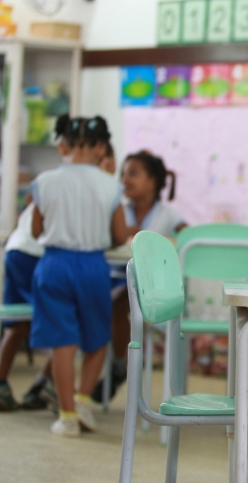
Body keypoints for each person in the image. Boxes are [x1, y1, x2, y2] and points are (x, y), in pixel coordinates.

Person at [30, 116, 127, 437]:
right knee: (97, 337)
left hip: (54, 265)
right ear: (101, 147)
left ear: (63, 145)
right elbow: (118, 234)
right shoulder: (110, 184)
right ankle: (84, 400)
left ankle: (66, 415)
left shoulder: (45, 181)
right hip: (92, 266)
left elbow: (35, 230)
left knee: (62, 342)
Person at [91, 150, 186, 402]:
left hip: (150, 286)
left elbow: (188, 239)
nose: (125, 180)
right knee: (106, 298)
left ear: (153, 182)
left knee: (122, 300)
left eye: (133, 173)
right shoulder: (119, 210)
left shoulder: (168, 215)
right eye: (123, 174)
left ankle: (119, 363)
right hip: (115, 276)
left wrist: (154, 238)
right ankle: (116, 363)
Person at [0, 114, 73, 412]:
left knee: (16, 324)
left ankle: (3, 383)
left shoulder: (52, 178)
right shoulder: (75, 181)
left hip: (17, 250)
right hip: (34, 255)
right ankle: (45, 385)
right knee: (66, 322)